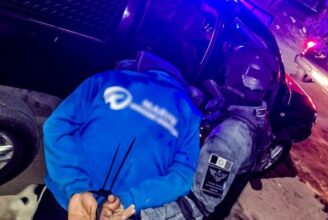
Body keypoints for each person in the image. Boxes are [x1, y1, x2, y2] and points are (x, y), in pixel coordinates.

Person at [100, 44, 279, 219]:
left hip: (174, 198)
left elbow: (199, 205)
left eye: (230, 72)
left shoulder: (230, 138)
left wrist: (140, 215)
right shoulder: (257, 112)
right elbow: (218, 107)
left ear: (242, 78)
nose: (225, 76)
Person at [33, 51, 202, 220]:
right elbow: (181, 177)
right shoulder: (191, 116)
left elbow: (57, 126)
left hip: (69, 203)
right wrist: (129, 200)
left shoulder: (106, 79)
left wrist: (76, 187)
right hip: (120, 214)